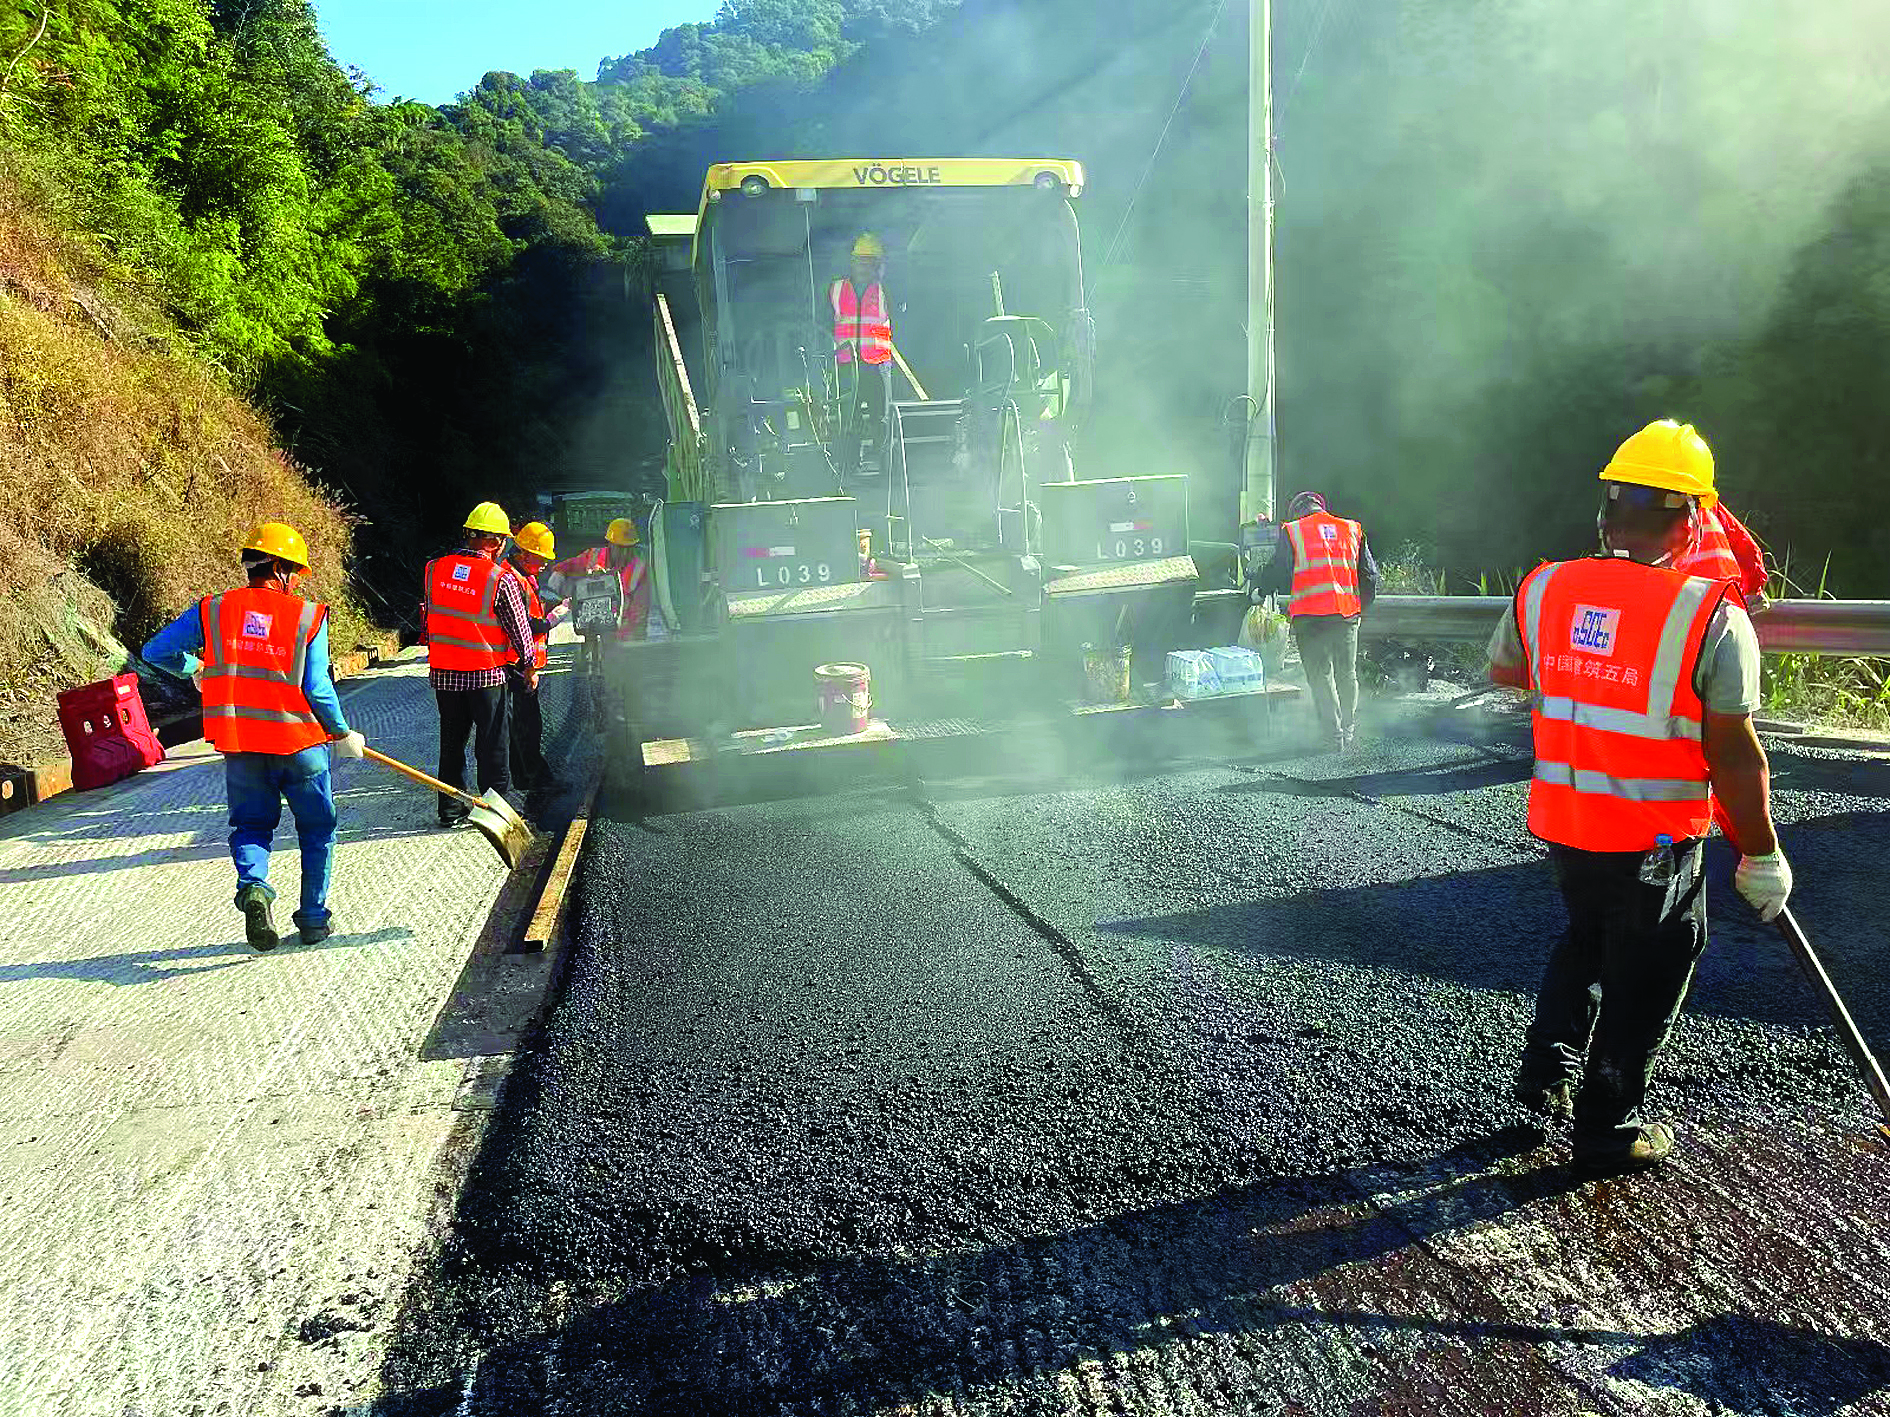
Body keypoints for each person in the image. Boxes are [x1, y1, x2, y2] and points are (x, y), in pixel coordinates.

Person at [1486, 418, 1791, 1174]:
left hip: (1566, 820)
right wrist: (1761, 853)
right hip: (1653, 836)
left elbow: (1507, 670)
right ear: (1691, 518)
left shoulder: (1545, 585)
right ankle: (1608, 1123)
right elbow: (1731, 750)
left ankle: (1546, 1072)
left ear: (1607, 510)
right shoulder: (1711, 616)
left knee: (1587, 935)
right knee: (1652, 965)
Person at [142, 522, 366, 951]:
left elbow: (156, 652)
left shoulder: (214, 609)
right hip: (300, 745)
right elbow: (316, 688)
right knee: (317, 829)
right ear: (280, 570)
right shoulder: (306, 616)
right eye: (297, 571)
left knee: (251, 825)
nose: (299, 580)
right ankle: (314, 919)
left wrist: (197, 670)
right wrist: (340, 731)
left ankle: (255, 887)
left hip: (242, 744)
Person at [423, 503, 536, 827]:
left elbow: (432, 617)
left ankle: (450, 808)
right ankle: (494, 814)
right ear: (498, 542)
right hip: (486, 675)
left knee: (452, 743)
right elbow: (518, 629)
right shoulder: (498, 578)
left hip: (445, 674)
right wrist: (529, 665)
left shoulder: (434, 569)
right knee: (492, 746)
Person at [1254, 490, 1379, 751]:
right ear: (1321, 507)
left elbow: (1280, 570)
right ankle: (1348, 730)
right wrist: (1360, 607)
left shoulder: (1293, 531)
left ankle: (1332, 738)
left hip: (1310, 617)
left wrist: (1261, 590)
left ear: (1297, 512)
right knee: (1347, 674)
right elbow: (1370, 576)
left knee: (1320, 676)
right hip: (1346, 615)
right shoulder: (1352, 529)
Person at [503, 520, 567, 798]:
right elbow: (527, 625)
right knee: (526, 725)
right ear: (524, 553)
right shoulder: (510, 578)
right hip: (514, 663)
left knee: (524, 724)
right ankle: (534, 778)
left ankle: (524, 776)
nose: (544, 565)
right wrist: (557, 616)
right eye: (540, 558)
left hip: (519, 662)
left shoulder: (522, 576)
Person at [831, 231, 893, 475]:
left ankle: (884, 464)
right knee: (849, 418)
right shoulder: (836, 289)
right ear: (852, 262)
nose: (863, 268)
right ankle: (849, 465)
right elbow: (827, 323)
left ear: (877, 265)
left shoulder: (885, 290)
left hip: (876, 365)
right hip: (847, 364)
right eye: (860, 261)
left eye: (869, 263)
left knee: (880, 418)